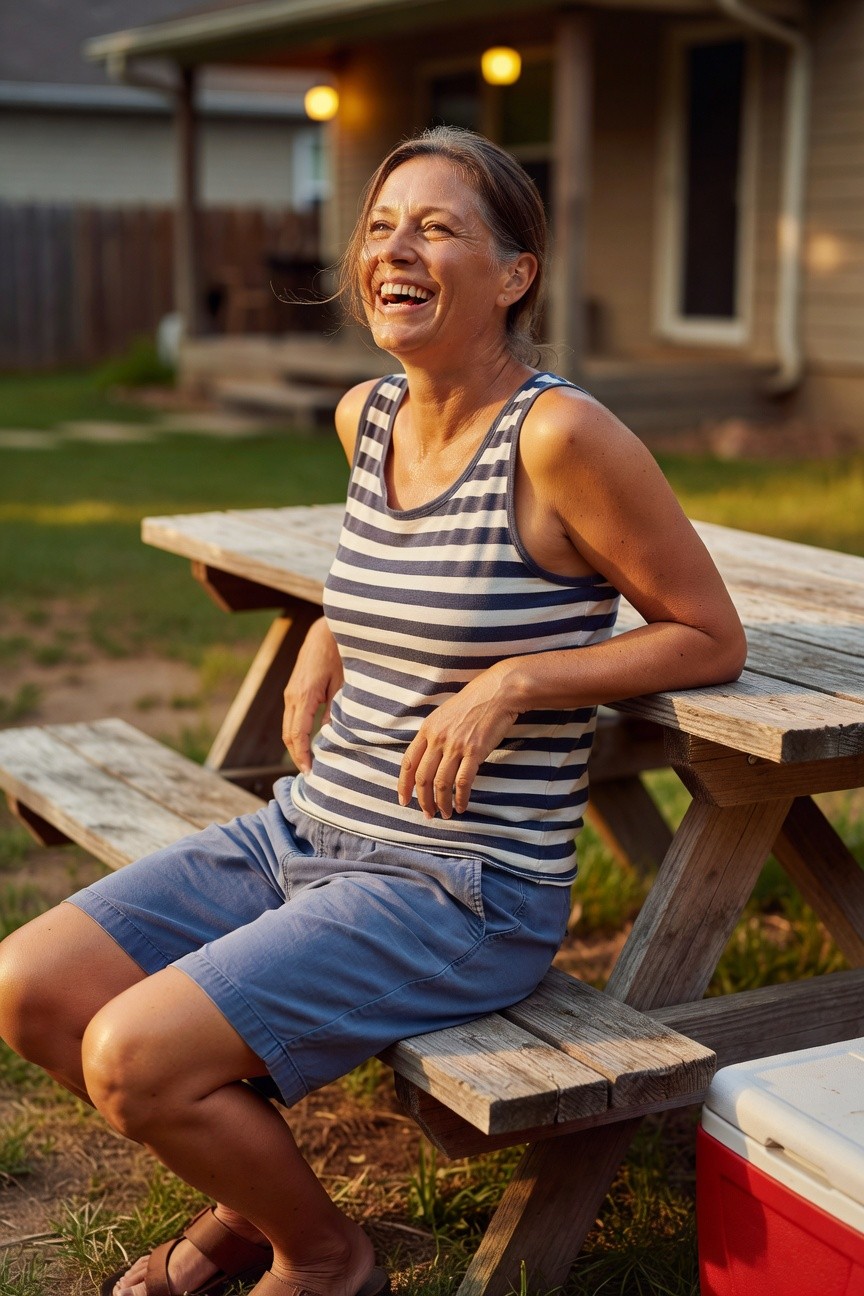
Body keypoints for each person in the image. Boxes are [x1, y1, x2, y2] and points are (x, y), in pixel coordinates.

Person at [0, 126, 746, 1296]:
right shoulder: (371, 416)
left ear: (514, 274)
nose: (397, 248)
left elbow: (709, 635)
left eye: (439, 227)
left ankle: (327, 1257)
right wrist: (320, 637)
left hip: (459, 885)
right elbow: (390, 563)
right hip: (303, 829)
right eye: (383, 227)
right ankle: (249, 1203)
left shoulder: (558, 437)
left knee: (134, 1061)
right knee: (32, 987)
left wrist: (518, 679)